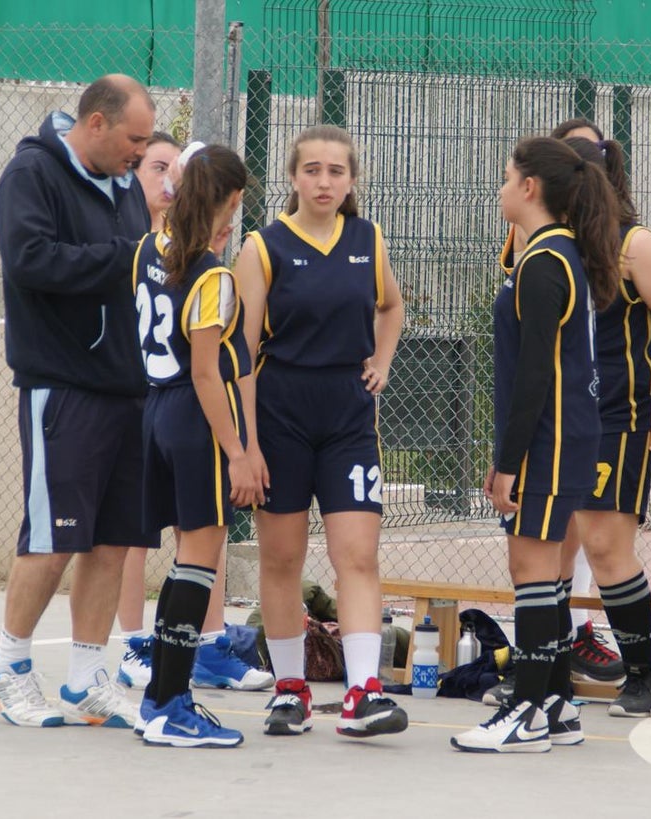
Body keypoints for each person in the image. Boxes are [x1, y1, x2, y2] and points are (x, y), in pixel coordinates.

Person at [0, 74, 157, 728]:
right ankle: (7, 665)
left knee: (111, 540)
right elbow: (30, 261)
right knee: (51, 538)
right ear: (97, 123)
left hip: (126, 389)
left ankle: (86, 677)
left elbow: (135, 266)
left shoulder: (126, 183)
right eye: (134, 139)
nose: (141, 153)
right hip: (62, 386)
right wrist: (121, 258)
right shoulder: (32, 174)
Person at [233, 125, 408, 739]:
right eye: (312, 170)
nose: (324, 181)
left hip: (348, 418)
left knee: (357, 555)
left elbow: (391, 307)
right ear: (293, 177)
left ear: (352, 180)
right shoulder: (263, 247)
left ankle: (363, 690)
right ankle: (290, 689)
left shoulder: (369, 239)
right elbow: (241, 354)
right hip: (281, 416)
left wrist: (382, 360)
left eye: (336, 171)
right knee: (282, 558)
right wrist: (246, 446)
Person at [451, 136, 620, 753]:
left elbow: (535, 376)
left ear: (529, 188)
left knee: (530, 572)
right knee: (544, 575)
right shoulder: (557, 253)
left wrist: (506, 462)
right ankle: (555, 703)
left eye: (505, 178)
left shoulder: (546, 262)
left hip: (549, 440)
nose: (499, 189)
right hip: (566, 434)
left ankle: (524, 710)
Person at [116, 134, 272, 695]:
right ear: (226, 201)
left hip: (155, 408)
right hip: (193, 415)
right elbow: (208, 373)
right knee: (199, 557)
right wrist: (237, 452)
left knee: (186, 556)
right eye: (236, 203)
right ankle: (169, 699)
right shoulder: (212, 277)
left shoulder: (147, 248)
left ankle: (166, 684)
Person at [558, 135, 651, 718]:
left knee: (607, 547)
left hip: (618, 414)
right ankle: (545, 667)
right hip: (558, 415)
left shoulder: (633, 245)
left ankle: (642, 675)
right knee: (547, 547)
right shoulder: (551, 243)